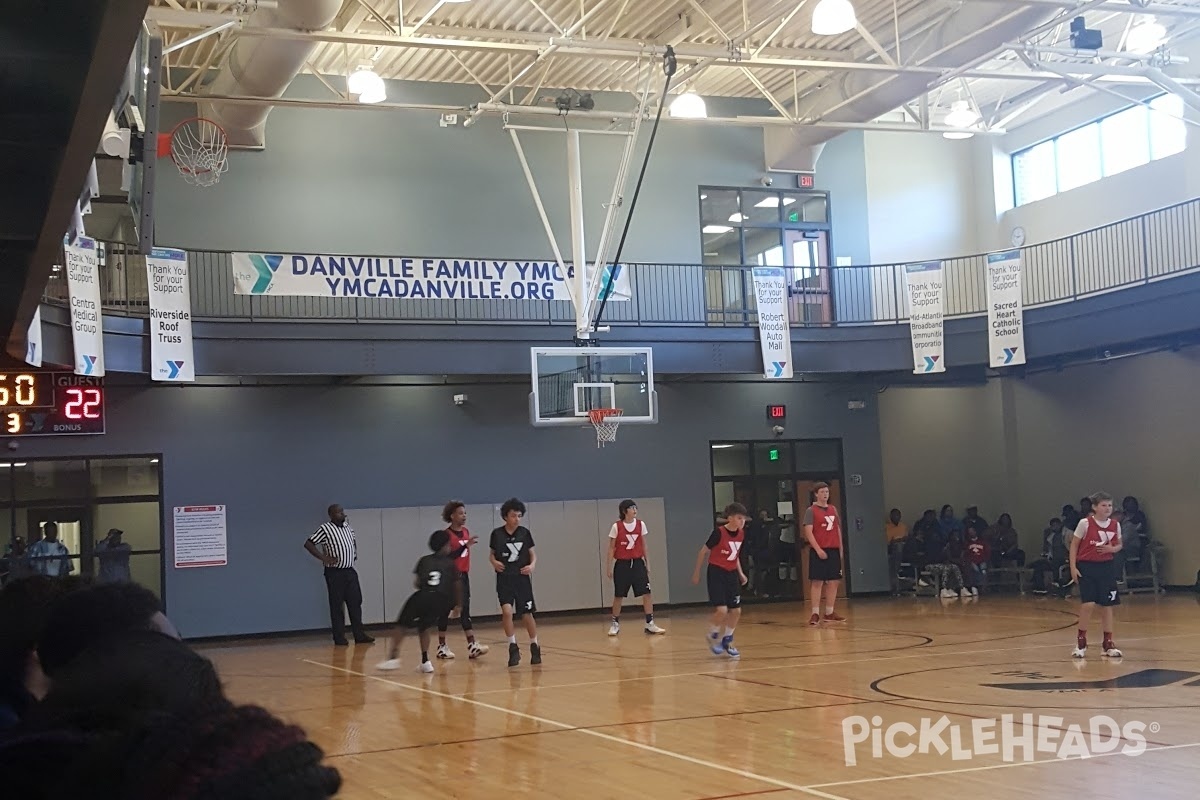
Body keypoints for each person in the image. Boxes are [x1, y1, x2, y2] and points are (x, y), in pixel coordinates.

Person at [378, 530, 461, 674]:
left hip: (424, 595)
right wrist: (458, 605)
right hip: (441, 600)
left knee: (401, 625)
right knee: (424, 627)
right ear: (445, 546)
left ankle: (393, 658)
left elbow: (417, 583)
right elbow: (457, 585)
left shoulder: (424, 560)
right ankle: (425, 662)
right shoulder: (451, 563)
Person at [303, 505, 374, 647]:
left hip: (350, 570)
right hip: (335, 573)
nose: (342, 514)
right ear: (331, 514)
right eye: (338, 512)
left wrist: (354, 554)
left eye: (342, 511)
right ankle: (339, 637)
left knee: (355, 602)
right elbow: (309, 543)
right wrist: (324, 558)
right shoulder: (325, 529)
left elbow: (353, 542)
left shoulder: (348, 527)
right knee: (337, 606)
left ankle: (359, 635)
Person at [1069, 492, 1123, 658]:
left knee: (1107, 606)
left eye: (1110, 505)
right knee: (1088, 604)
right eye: (1103, 505)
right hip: (1087, 566)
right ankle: (1081, 642)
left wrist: (1112, 549)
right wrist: (1073, 567)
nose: (1107, 508)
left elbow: (1119, 544)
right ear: (1094, 507)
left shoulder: (1115, 525)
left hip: (1106, 567)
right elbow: (1074, 545)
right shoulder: (1085, 523)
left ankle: (1107, 644)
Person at [692, 503, 748, 658]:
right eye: (739, 518)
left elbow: (735, 555)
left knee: (736, 610)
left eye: (743, 518)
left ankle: (728, 640)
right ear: (730, 518)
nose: (742, 521)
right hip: (717, 572)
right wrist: (697, 573)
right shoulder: (718, 533)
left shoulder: (741, 534)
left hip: (731, 574)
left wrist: (741, 573)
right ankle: (712, 634)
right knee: (722, 610)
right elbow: (703, 552)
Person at [489, 498, 540, 667]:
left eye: (519, 516)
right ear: (505, 516)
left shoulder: (524, 533)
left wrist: (532, 566)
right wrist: (494, 562)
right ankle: (512, 647)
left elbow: (532, 554)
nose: (516, 519)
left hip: (522, 578)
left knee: (526, 613)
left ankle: (535, 645)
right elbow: (492, 554)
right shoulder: (497, 534)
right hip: (504, 578)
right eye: (513, 516)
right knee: (507, 612)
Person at [434, 501, 489, 661]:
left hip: (463, 576)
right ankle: (442, 646)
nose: (464, 516)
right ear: (452, 516)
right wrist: (466, 547)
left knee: (465, 610)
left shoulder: (465, 532)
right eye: (460, 513)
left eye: (465, 513)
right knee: (445, 611)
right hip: (450, 578)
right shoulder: (446, 535)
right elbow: (448, 557)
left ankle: (472, 645)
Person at [606, 500, 666, 636]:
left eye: (635, 507)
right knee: (619, 595)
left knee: (647, 593)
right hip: (622, 564)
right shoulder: (617, 526)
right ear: (624, 511)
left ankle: (650, 623)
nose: (635, 510)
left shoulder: (640, 524)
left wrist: (647, 562)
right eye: (631, 508)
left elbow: (644, 545)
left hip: (638, 563)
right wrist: (608, 567)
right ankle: (615, 623)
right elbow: (611, 548)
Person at [802, 483, 846, 624]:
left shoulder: (833, 509)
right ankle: (815, 613)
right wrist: (818, 549)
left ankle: (829, 612)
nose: (825, 494)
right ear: (816, 494)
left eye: (827, 492)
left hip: (833, 548)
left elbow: (837, 529)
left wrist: (840, 548)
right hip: (819, 549)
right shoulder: (811, 511)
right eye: (822, 492)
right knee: (817, 581)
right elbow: (808, 531)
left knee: (833, 581)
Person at [885, 509, 908, 595]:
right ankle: (894, 586)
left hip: (904, 550)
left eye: (898, 515)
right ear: (891, 516)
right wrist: (897, 540)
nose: (896, 517)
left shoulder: (903, 526)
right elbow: (889, 542)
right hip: (892, 550)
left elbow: (906, 538)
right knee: (897, 547)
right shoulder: (887, 527)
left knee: (900, 545)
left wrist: (899, 540)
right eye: (894, 515)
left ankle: (895, 584)